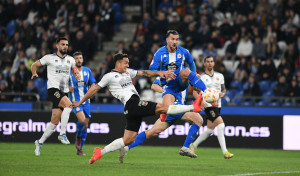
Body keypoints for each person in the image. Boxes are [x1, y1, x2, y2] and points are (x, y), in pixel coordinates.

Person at [72, 53, 203, 164]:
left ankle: (100, 151)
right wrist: (80, 101)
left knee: (128, 140)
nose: (128, 65)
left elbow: (145, 73)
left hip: (131, 109)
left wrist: (160, 73)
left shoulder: (128, 72)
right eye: (125, 63)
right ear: (117, 63)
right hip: (132, 103)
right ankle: (193, 106)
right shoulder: (109, 76)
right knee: (164, 107)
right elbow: (94, 88)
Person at [119, 77, 204, 163]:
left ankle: (126, 147)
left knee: (152, 132)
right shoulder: (166, 74)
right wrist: (166, 91)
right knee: (198, 120)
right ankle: (185, 147)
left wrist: (196, 83)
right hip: (174, 105)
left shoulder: (185, 74)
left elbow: (193, 90)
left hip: (176, 107)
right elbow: (154, 86)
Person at [31, 37, 80, 156]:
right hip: (53, 90)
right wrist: (34, 72)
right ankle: (62, 134)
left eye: (67, 45)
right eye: (63, 44)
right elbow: (34, 65)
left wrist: (77, 74)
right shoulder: (49, 58)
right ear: (57, 46)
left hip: (64, 92)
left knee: (54, 122)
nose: (65, 47)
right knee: (69, 105)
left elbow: (74, 70)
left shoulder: (70, 60)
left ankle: (39, 142)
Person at [149, 30, 207, 122]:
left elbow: (191, 63)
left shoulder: (183, 51)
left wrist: (193, 74)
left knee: (186, 72)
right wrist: (162, 73)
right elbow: (151, 71)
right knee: (168, 110)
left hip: (181, 81)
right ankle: (164, 111)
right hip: (169, 85)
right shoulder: (159, 53)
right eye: (172, 39)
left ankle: (206, 91)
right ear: (167, 40)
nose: (175, 42)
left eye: (177, 39)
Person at [191, 56, 234, 159]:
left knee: (210, 129)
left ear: (214, 63)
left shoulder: (220, 76)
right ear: (204, 64)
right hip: (208, 105)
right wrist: (201, 102)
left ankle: (193, 145)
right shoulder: (201, 77)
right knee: (221, 125)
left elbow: (223, 89)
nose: (210, 63)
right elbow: (194, 92)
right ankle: (225, 152)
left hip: (218, 105)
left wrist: (222, 94)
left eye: (211, 61)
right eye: (207, 62)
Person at [69, 51, 96, 156]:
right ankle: (78, 138)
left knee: (85, 125)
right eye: (76, 58)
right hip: (75, 102)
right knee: (82, 119)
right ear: (73, 60)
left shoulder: (87, 71)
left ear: (82, 59)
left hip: (86, 102)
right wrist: (67, 88)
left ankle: (79, 149)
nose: (78, 60)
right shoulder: (69, 73)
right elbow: (61, 85)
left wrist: (93, 89)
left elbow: (93, 83)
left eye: (80, 58)